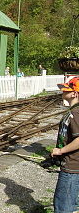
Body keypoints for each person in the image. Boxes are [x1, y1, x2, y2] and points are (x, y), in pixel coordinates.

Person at [51, 77, 79, 213]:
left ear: (74, 93)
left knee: (63, 206)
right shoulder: (74, 111)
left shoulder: (75, 113)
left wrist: (60, 151)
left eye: (66, 89)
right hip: (72, 165)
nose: (62, 91)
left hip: (71, 167)